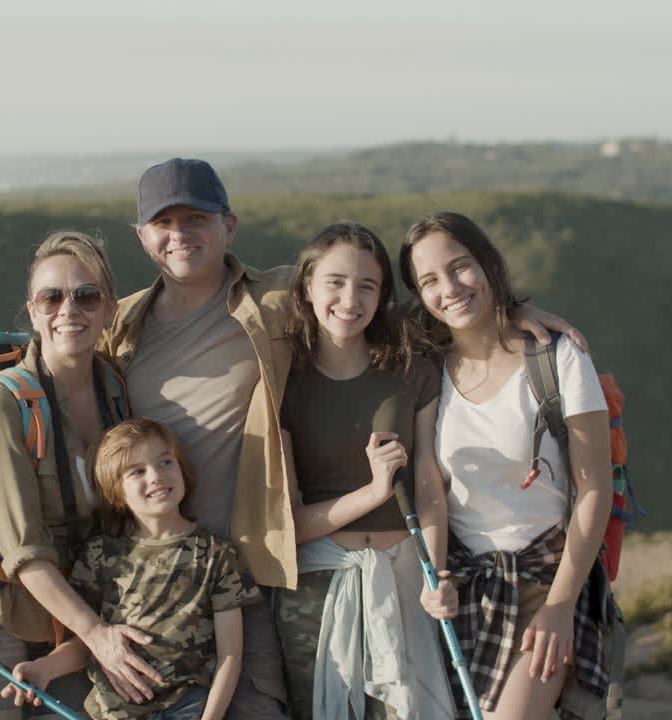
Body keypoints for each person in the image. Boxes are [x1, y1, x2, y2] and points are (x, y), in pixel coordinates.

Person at [103, 158, 589, 719]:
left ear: (228, 226)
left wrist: (510, 311)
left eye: (196, 218)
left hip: (285, 572)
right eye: (164, 222)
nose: (180, 234)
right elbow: (69, 381)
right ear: (142, 236)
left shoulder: (283, 306)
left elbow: (439, 312)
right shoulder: (121, 326)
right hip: (192, 566)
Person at [0, 231, 165, 719]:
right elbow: (22, 548)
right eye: (51, 297)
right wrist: (98, 636)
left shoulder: (115, 392)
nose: (68, 310)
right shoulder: (2, 403)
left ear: (109, 309)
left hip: (66, 602)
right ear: (32, 312)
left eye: (86, 296)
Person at [399, 211, 613, 720]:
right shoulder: (427, 367)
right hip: (466, 586)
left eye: (461, 266)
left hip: (546, 579)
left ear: (488, 263)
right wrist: (436, 577)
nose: (449, 288)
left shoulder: (557, 358)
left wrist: (562, 606)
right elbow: (430, 484)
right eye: (429, 280)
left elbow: (594, 490)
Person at [274, 222, 456, 719]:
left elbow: (427, 485)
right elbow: (291, 525)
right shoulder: (283, 381)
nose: (349, 298)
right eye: (334, 281)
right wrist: (375, 490)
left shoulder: (412, 371)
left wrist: (434, 574)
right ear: (307, 286)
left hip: (406, 580)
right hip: (317, 589)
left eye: (366, 286)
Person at [1, 418, 261, 720]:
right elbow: (89, 644)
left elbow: (230, 655)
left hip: (189, 706)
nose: (156, 476)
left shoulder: (218, 555)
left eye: (165, 462)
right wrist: (43, 668)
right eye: (137, 471)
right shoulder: (99, 555)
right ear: (116, 492)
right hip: (113, 711)